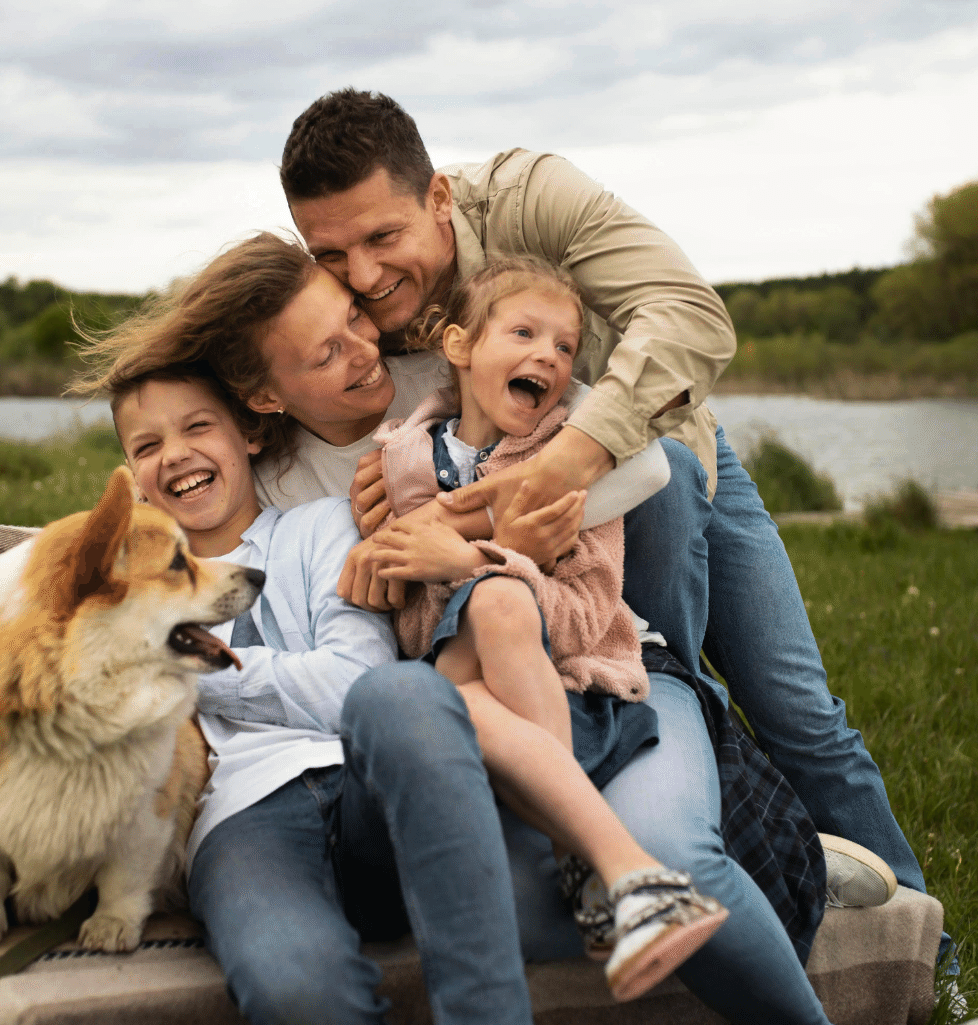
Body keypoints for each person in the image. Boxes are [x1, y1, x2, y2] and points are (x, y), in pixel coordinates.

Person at [83, 232, 840, 1023]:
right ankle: (640, 859)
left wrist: (465, 533)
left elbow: (659, 474)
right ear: (263, 402)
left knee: (652, 836)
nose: (362, 353)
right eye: (324, 353)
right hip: (432, 717)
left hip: (573, 672)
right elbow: (49, 661)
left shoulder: (430, 392)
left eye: (352, 320)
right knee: (440, 759)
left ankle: (668, 864)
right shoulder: (280, 493)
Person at [279, 88, 926, 921]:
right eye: (331, 253)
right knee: (640, 688)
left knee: (793, 707)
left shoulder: (530, 197)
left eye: (383, 237)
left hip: (654, 462)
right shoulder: (348, 298)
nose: (363, 275)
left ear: (438, 196)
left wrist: (563, 463)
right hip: (509, 536)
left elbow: (691, 313)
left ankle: (921, 949)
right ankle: (733, 853)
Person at [108, 360, 534, 1025]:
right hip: (239, 818)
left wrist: (182, 669)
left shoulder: (319, 528)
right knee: (296, 986)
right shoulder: (122, 589)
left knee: (402, 691)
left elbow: (352, 685)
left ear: (247, 434)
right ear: (131, 477)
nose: (177, 454)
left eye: (198, 426)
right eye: (147, 445)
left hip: (368, 788)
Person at [370, 254, 729, 997]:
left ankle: (599, 863)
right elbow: (411, 630)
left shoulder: (574, 461)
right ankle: (619, 871)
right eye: (525, 331)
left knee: (500, 603)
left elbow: (587, 617)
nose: (549, 356)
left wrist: (478, 561)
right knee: (466, 655)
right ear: (460, 345)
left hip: (567, 691)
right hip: (470, 700)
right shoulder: (401, 460)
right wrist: (460, 566)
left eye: (565, 347)